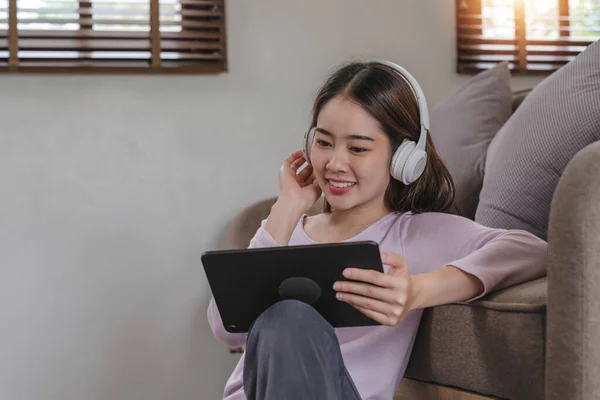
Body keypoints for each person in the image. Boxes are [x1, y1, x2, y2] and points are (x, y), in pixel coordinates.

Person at [207, 60, 547, 400]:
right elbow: (226, 329)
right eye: (324, 143)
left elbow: (534, 251)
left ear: (403, 158)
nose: (335, 163)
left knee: (291, 318)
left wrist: (419, 289)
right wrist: (287, 207)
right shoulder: (287, 232)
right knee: (285, 318)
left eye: (358, 148)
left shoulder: (421, 233)